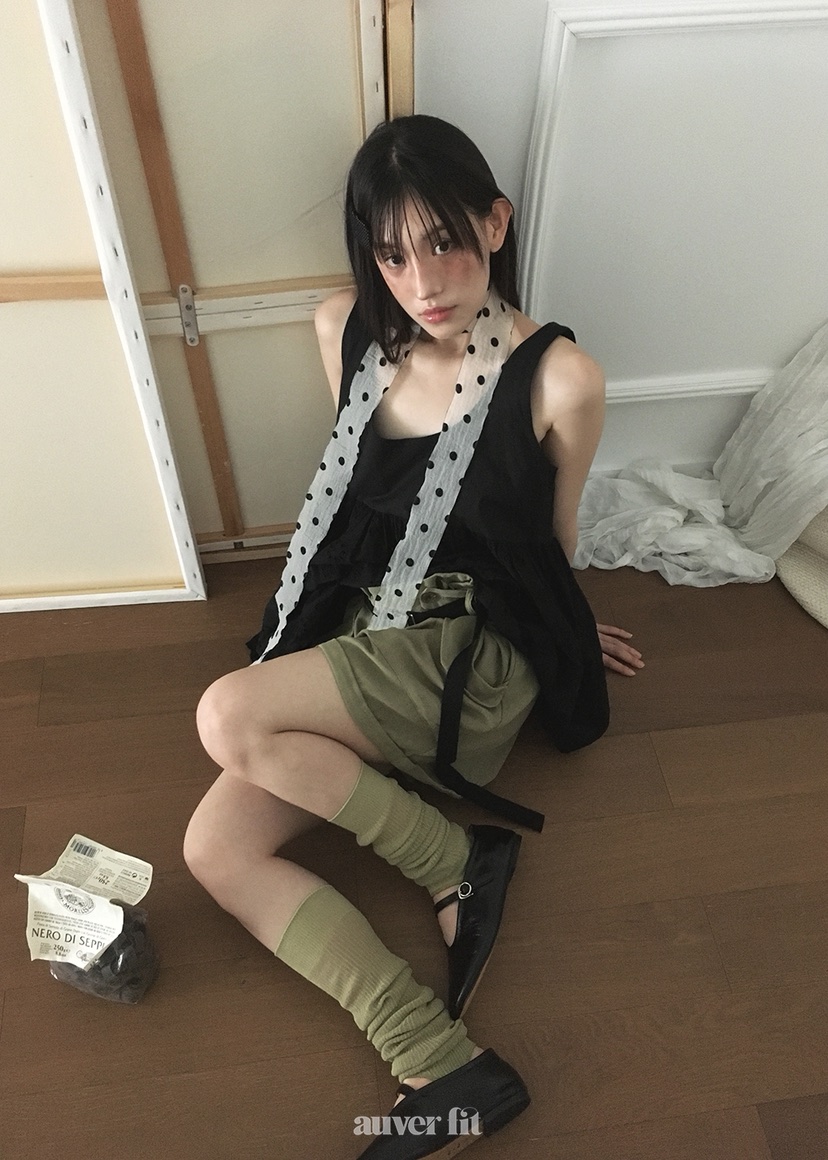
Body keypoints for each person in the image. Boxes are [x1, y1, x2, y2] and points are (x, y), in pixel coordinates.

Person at [184, 115, 644, 1158]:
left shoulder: (559, 378)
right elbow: (364, 501)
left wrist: (569, 633)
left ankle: (454, 856)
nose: (424, 281)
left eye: (445, 241)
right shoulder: (344, 328)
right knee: (213, 848)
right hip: (373, 617)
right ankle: (442, 1063)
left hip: (468, 652)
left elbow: (553, 537)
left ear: (496, 223)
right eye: (394, 254)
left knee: (228, 715)